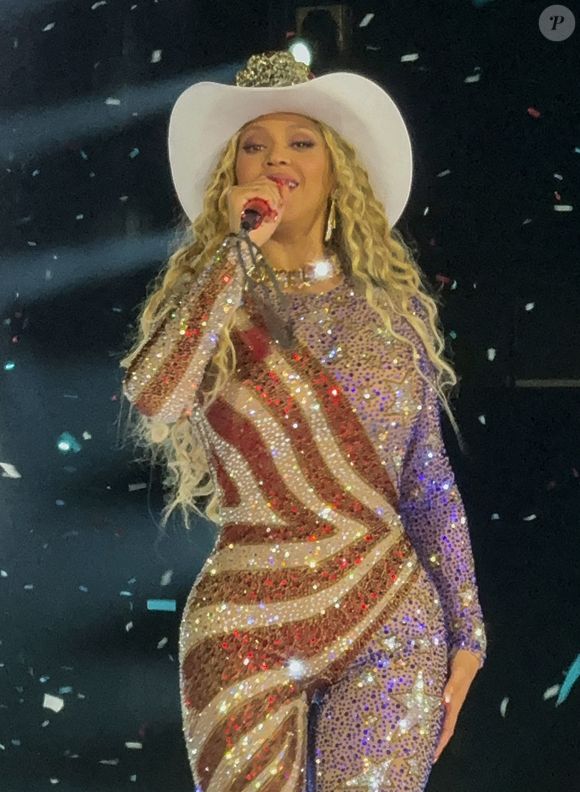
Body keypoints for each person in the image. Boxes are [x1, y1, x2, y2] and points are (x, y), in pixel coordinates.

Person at [119, 50, 488, 792]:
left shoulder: (394, 311)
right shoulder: (214, 304)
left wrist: (466, 631)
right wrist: (234, 257)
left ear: (336, 168)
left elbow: (426, 480)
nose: (275, 158)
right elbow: (156, 398)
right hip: (246, 622)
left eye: (300, 140)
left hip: (388, 605)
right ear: (233, 176)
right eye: (253, 145)